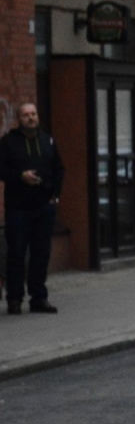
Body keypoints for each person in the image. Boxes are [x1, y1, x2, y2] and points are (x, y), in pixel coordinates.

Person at [0, 102, 64, 314]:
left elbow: (59, 168)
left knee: (41, 254)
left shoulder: (48, 141)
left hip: (43, 208)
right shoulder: (8, 142)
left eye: (33, 114)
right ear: (19, 119)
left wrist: (55, 195)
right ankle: (15, 299)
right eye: (26, 115)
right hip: (17, 209)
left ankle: (39, 298)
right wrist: (20, 176)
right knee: (16, 254)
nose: (30, 118)